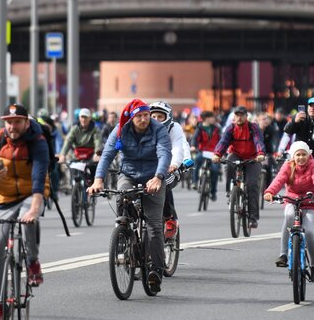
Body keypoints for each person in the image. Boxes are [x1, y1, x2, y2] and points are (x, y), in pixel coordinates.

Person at [0, 104, 49, 320]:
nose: (12, 126)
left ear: (26, 123)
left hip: (30, 193)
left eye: (17, 121)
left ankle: (32, 261)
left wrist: (34, 209)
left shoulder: (38, 141)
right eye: (9, 121)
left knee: (27, 220)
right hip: (3, 197)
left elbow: (38, 178)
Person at [90, 99, 171, 293]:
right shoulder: (120, 131)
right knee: (121, 196)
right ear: (131, 117)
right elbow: (107, 155)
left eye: (146, 115)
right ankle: (124, 234)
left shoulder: (158, 129)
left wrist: (159, 177)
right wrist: (98, 180)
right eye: (139, 116)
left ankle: (156, 270)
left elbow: (164, 153)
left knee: (154, 226)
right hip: (129, 173)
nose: (144, 119)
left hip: (153, 176)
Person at [263, 140, 314, 282]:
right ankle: (283, 255)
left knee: (308, 231)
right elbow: (279, 180)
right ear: (293, 156)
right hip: (292, 200)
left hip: (310, 202)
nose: (301, 158)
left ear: (308, 155)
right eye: (298, 155)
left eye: (303, 154)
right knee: (288, 216)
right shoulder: (288, 166)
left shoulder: (313, 166)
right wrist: (270, 192)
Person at [214, 105, 266, 229]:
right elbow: (223, 142)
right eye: (237, 115)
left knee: (252, 185)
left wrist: (260, 154)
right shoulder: (230, 128)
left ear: (246, 116)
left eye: (242, 115)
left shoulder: (253, 127)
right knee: (228, 165)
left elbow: (258, 141)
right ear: (234, 117)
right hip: (236, 155)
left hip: (253, 158)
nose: (239, 117)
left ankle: (253, 218)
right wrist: (217, 154)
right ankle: (230, 192)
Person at [148, 101, 192, 241]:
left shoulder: (175, 128)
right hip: (148, 168)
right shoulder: (144, 127)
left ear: (168, 117)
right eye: (153, 116)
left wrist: (175, 164)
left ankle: (169, 218)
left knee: (163, 183)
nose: (155, 120)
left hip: (169, 168)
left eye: (159, 117)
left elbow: (179, 147)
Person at [283, 97, 314, 178]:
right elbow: (287, 130)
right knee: (290, 175)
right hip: (298, 156)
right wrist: (294, 121)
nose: (312, 108)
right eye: (310, 106)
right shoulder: (300, 118)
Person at [192, 110, 222, 201]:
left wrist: (221, 151)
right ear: (206, 119)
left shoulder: (216, 128)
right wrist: (193, 146)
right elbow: (195, 139)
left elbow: (221, 140)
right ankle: (195, 181)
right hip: (203, 152)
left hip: (214, 153)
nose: (214, 119)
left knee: (215, 170)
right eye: (212, 117)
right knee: (197, 160)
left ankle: (213, 192)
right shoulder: (199, 128)